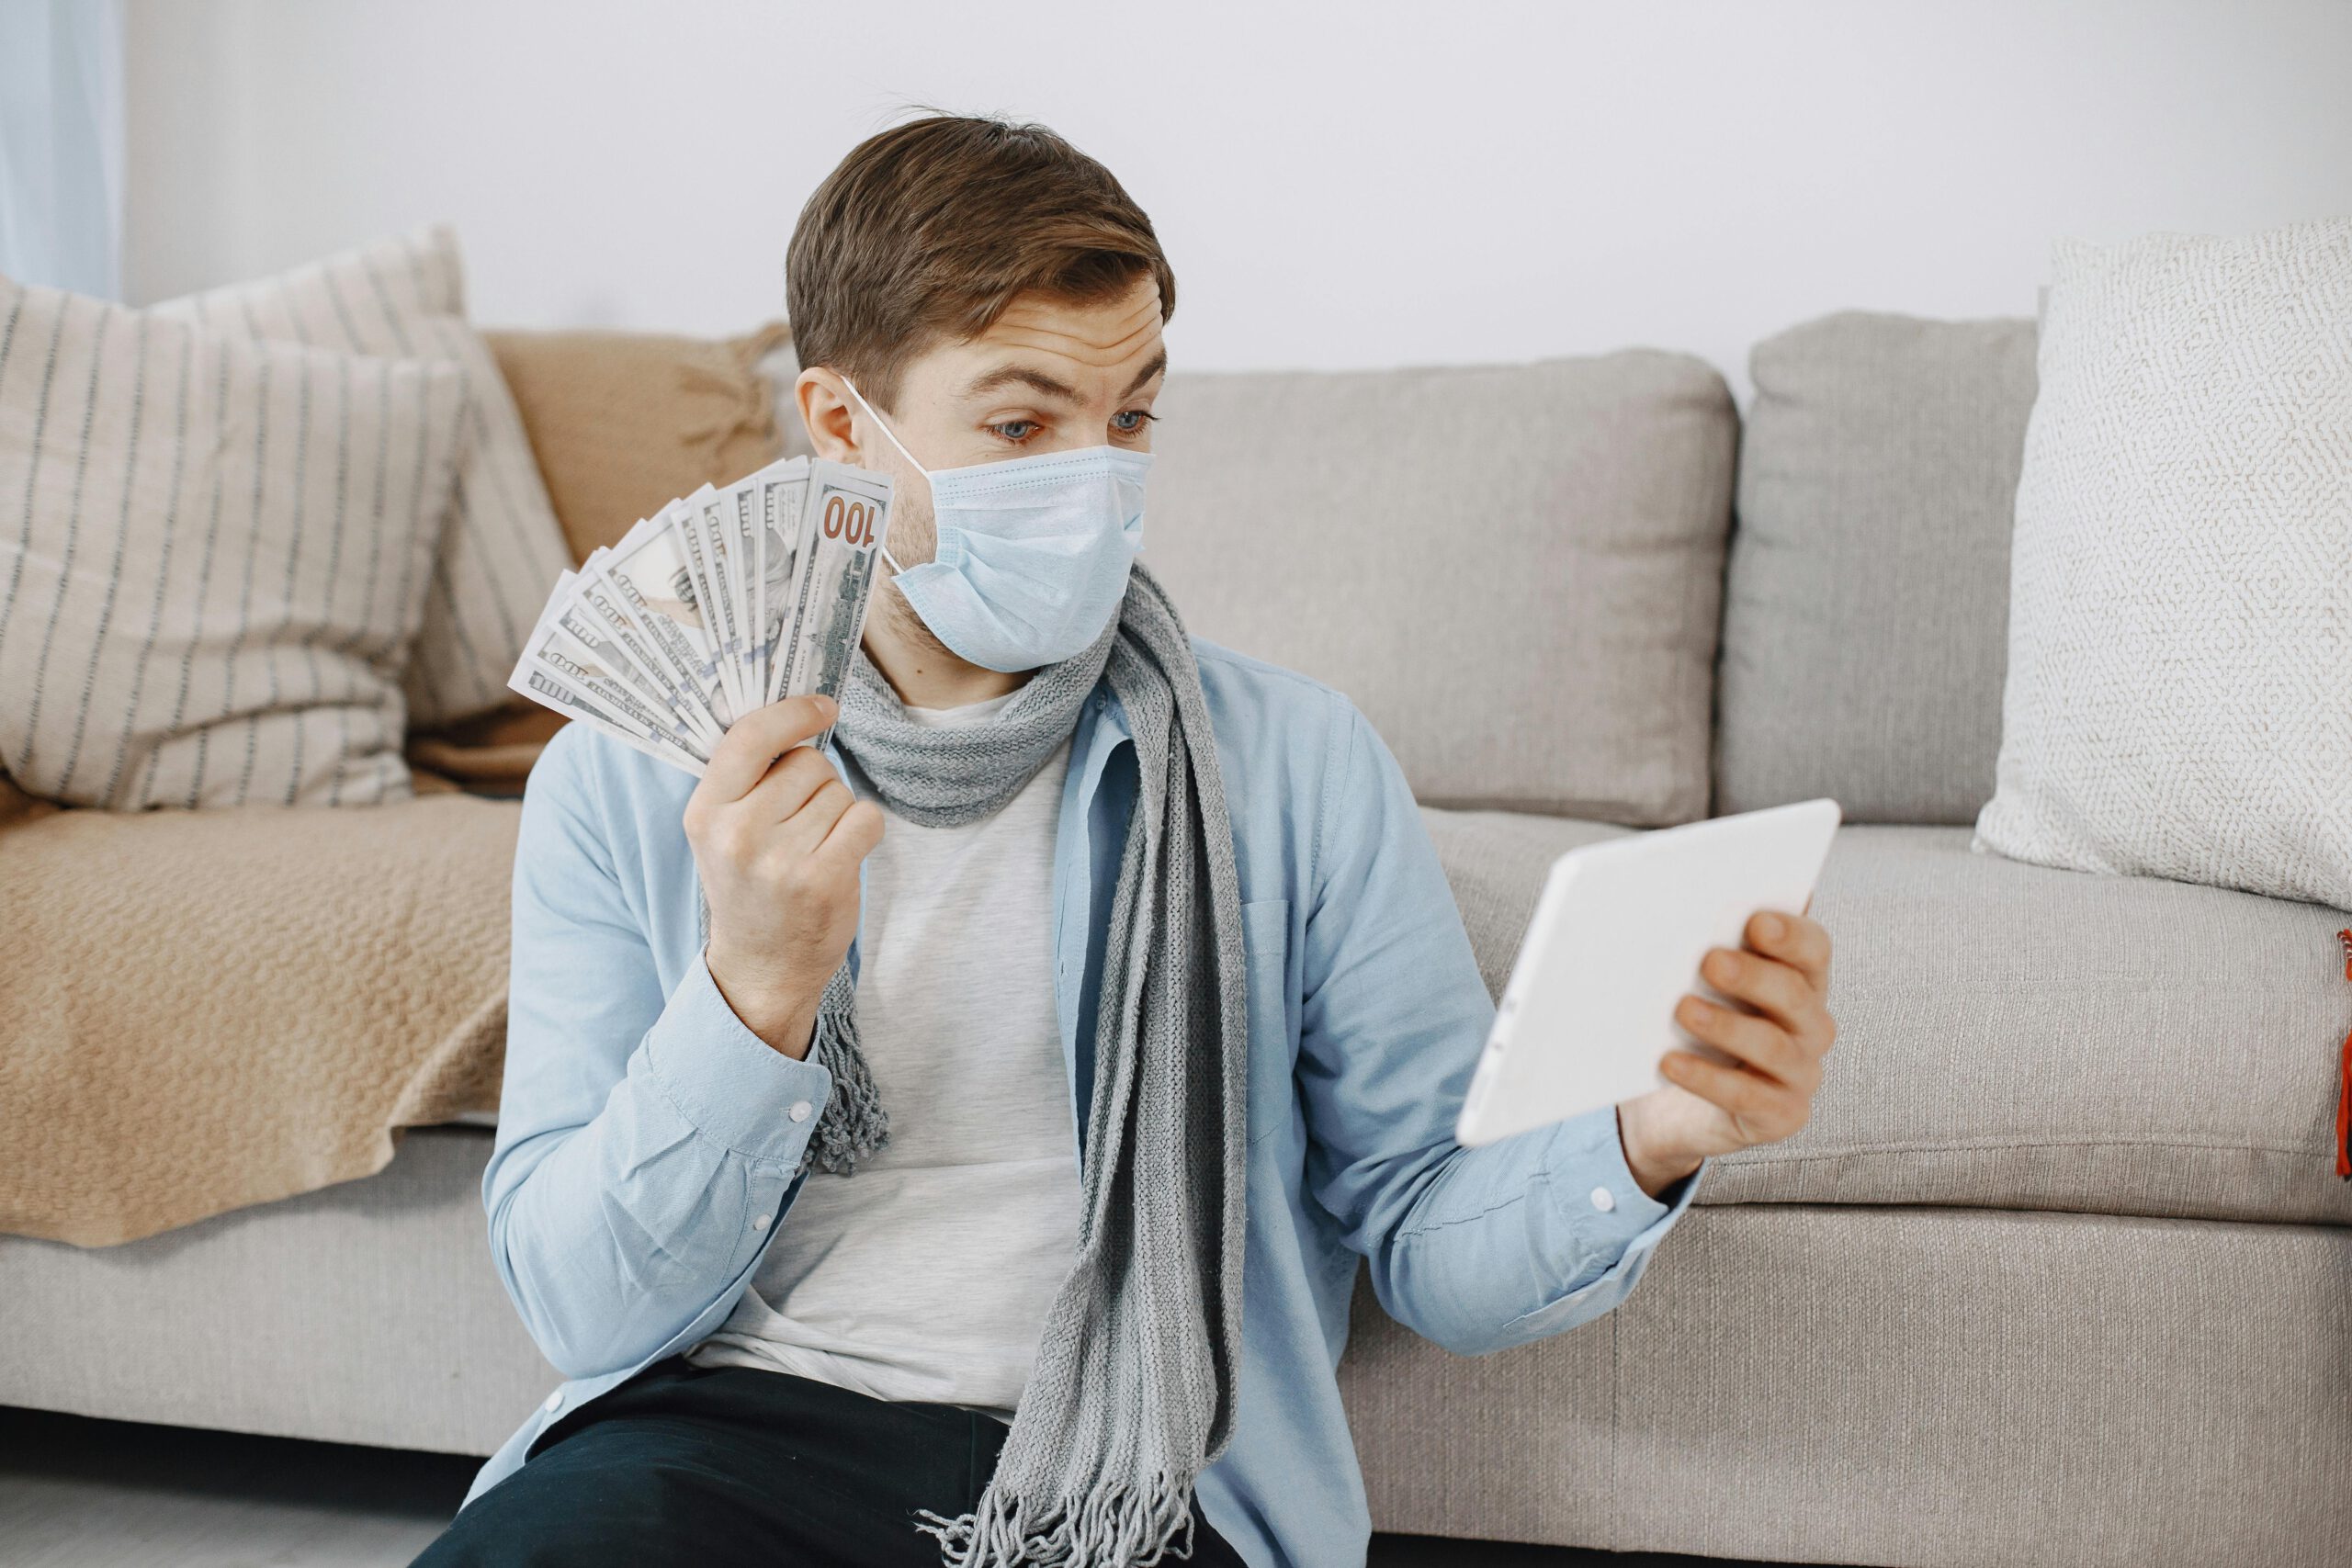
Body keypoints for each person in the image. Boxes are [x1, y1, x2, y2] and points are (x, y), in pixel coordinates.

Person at [413, 113, 1838, 1568]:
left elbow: (1425, 1235)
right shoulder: (631, 775)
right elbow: (585, 1308)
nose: (1093, 479)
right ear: (841, 425)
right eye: (1023, 426)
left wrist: (1652, 1137)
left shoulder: (1287, 762)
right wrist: (754, 991)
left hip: (1123, 1477)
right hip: (725, 1437)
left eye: (1132, 419)